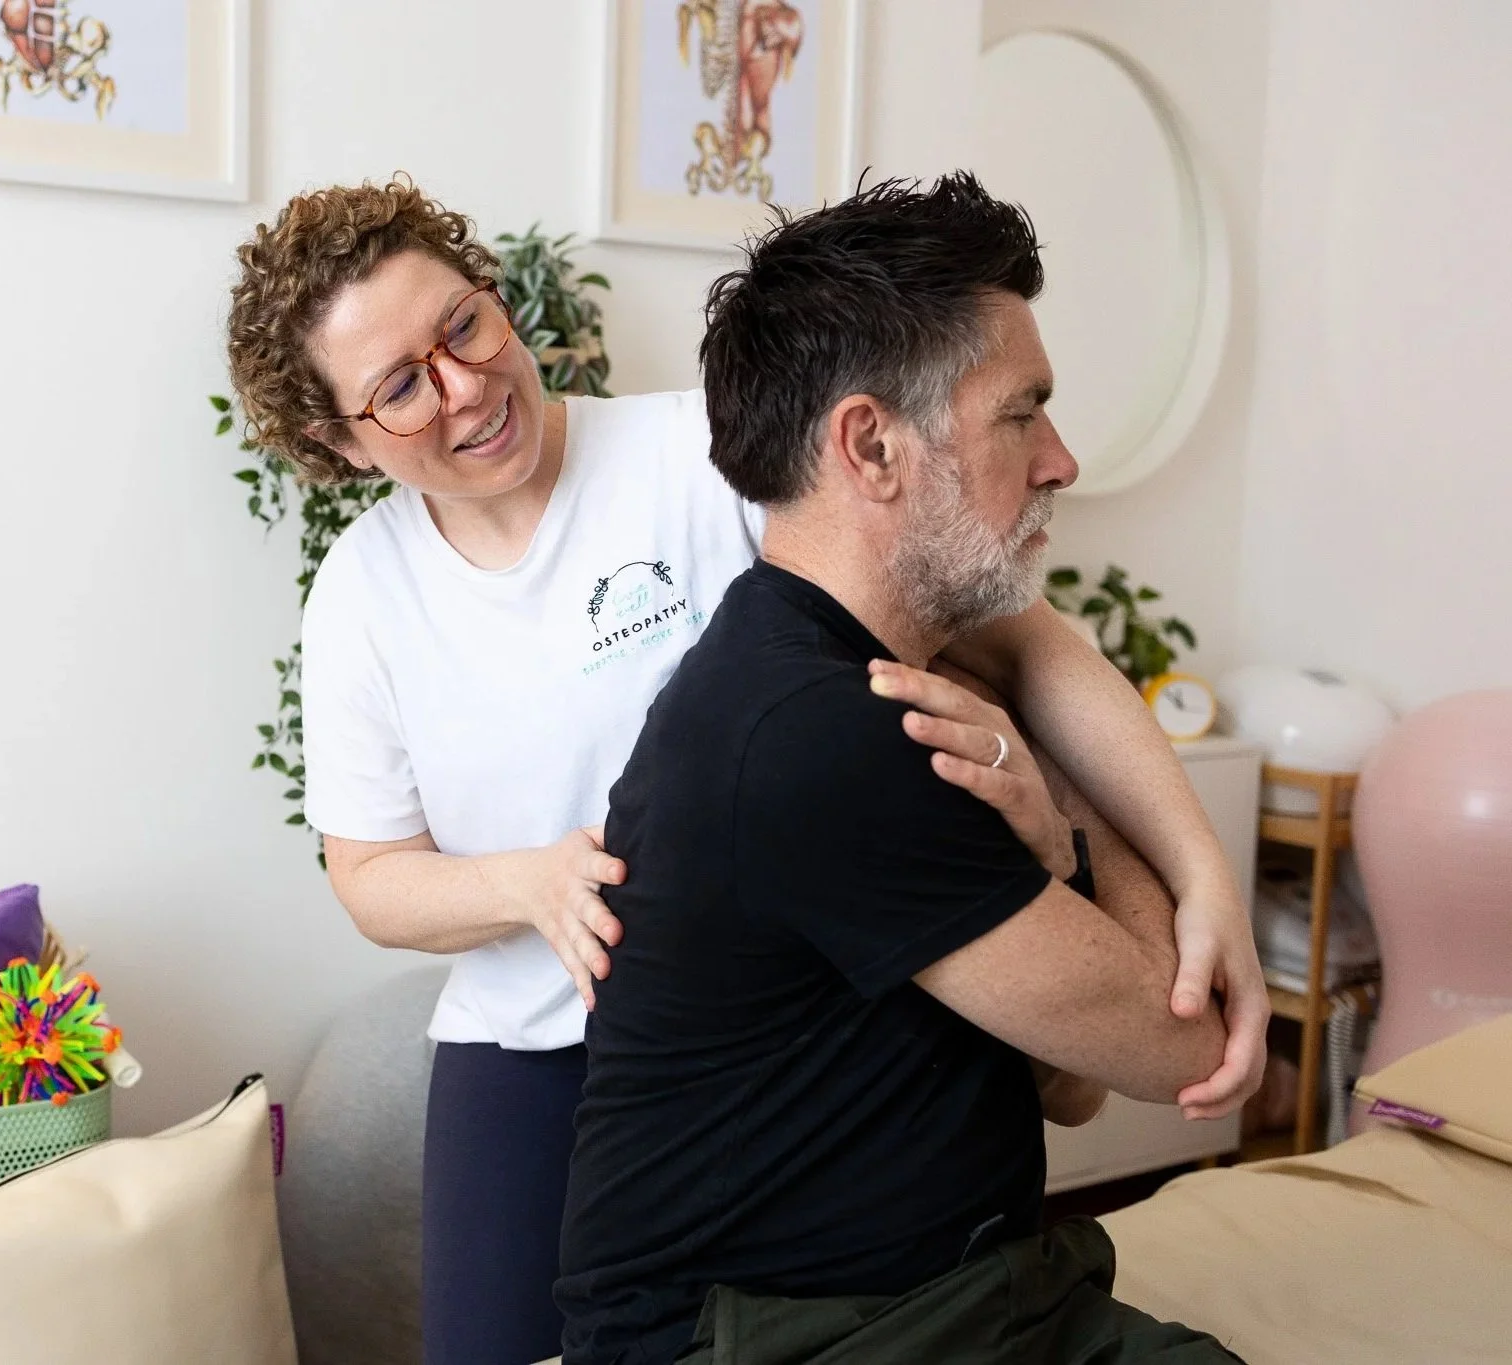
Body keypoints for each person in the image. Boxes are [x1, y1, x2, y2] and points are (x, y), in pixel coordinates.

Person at [224, 176, 1265, 1365]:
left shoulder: (697, 454)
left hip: (783, 1018)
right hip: (537, 1036)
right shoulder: (364, 595)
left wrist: (1197, 875)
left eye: (462, 326)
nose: (463, 386)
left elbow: (1022, 643)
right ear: (337, 443)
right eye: (401, 387)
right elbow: (368, 873)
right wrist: (529, 885)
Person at [556, 173, 1253, 1364]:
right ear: (871, 444)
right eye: (1020, 414)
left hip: (954, 1300)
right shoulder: (821, 732)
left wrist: (1063, 845)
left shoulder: (871, 676)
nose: (1062, 461)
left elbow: (1065, 1088)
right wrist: (1074, 813)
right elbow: (1190, 1052)